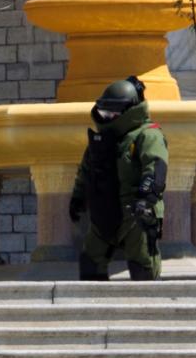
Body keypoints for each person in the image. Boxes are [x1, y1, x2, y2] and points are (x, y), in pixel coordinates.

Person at [69, 76, 169, 281]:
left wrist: (146, 198)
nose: (106, 117)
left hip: (137, 213)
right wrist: (78, 197)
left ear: (128, 111)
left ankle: (149, 299)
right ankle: (93, 300)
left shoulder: (148, 135)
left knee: (142, 266)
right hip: (106, 211)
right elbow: (86, 170)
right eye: (104, 112)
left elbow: (155, 167)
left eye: (112, 112)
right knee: (90, 262)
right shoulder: (102, 140)